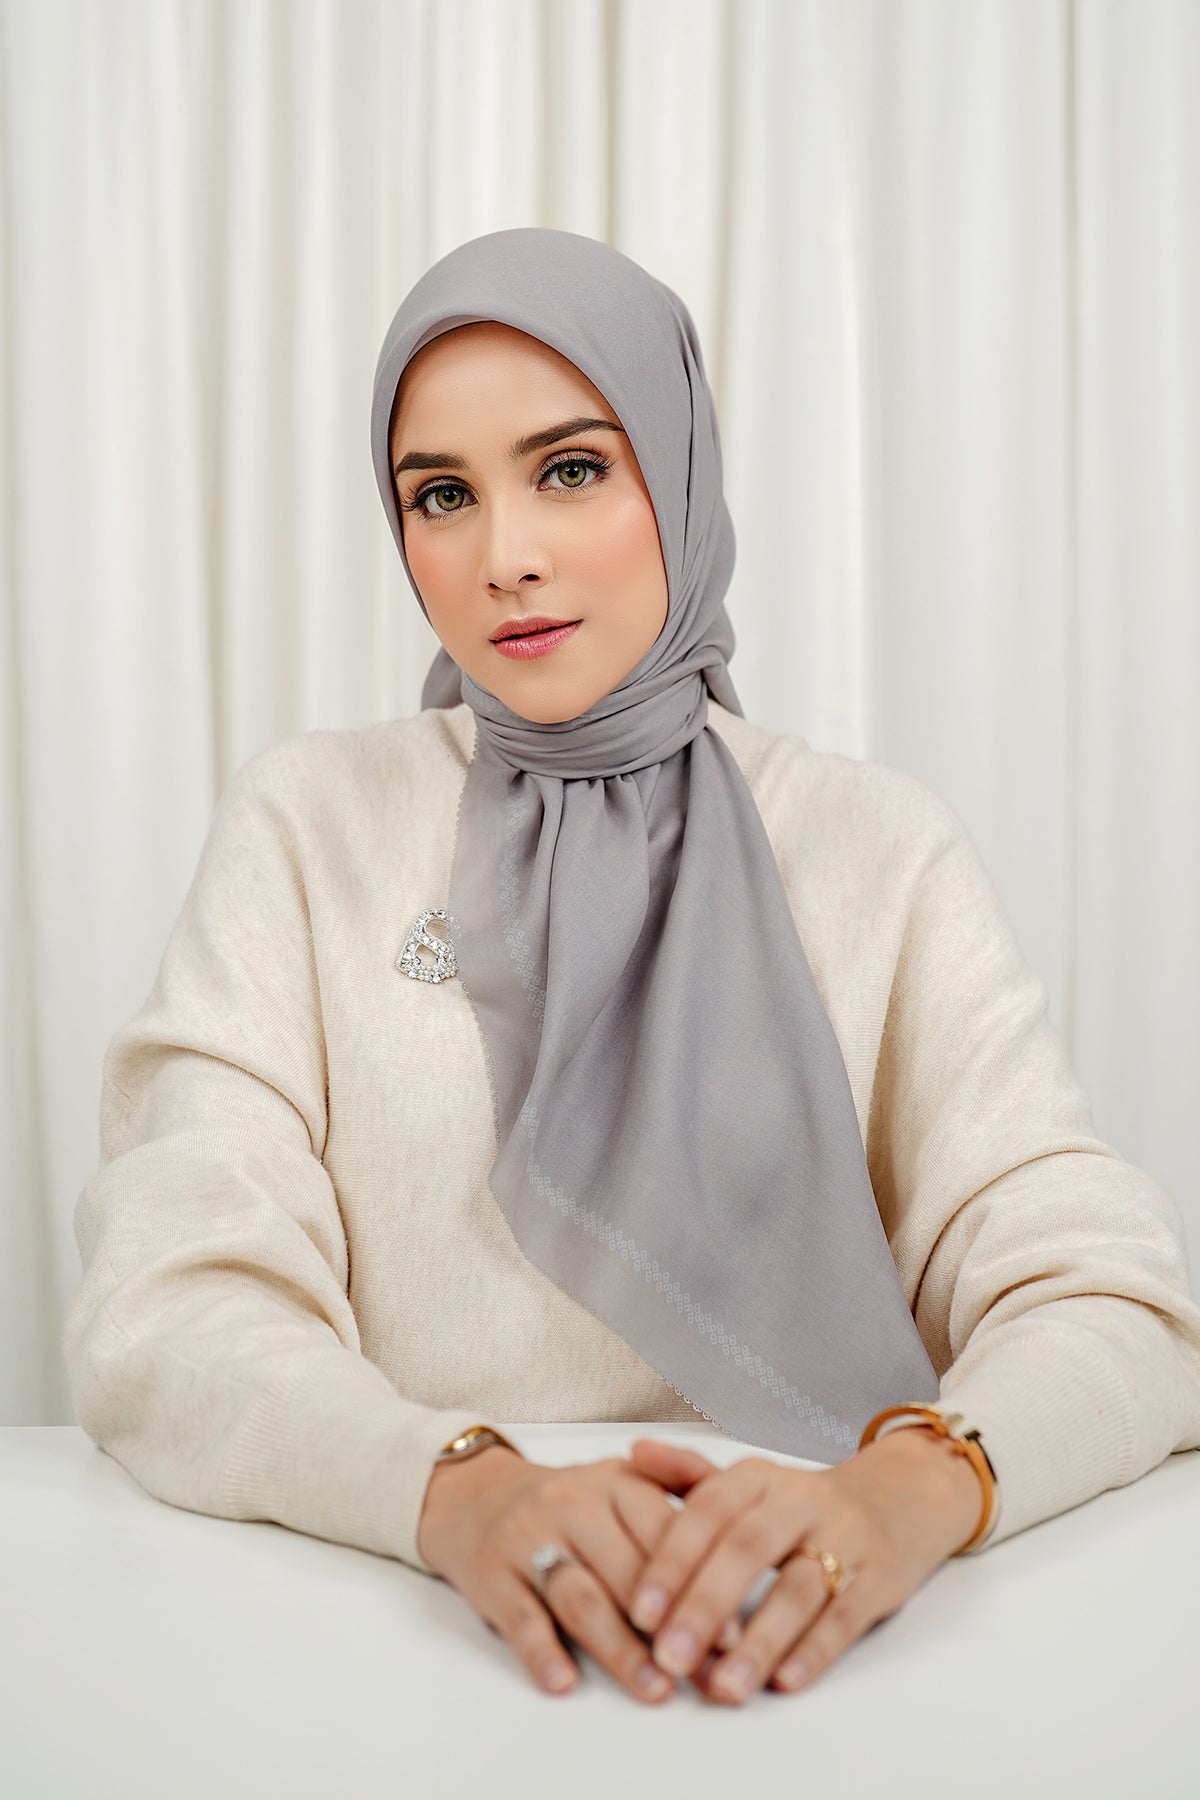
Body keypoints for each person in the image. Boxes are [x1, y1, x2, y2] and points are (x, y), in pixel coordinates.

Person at [64, 228, 1200, 1713]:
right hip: (401, 1642)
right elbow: (165, 1301)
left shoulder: (873, 847)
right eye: (442, 495)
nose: (505, 556)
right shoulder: (310, 824)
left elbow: (1112, 1299)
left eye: (571, 469)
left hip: (823, 1656)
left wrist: (904, 1491)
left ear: (677, 470)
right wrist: (454, 1489)